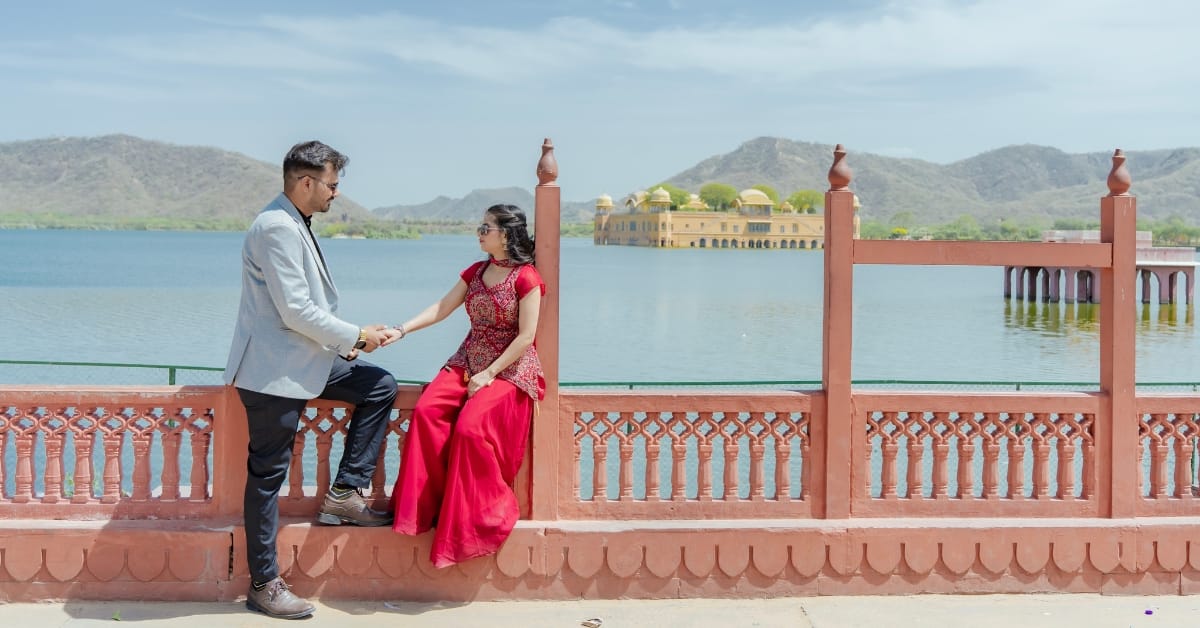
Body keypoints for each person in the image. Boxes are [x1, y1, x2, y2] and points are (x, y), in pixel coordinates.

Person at [223, 140, 400, 619]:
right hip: (271, 372)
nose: (335, 194)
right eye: (332, 185)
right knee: (267, 479)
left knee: (379, 385)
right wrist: (357, 335)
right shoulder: (276, 227)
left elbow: (307, 310)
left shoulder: (293, 221)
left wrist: (355, 342)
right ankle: (264, 585)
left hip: (306, 360)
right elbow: (296, 310)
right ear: (306, 182)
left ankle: (344, 494)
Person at [388, 203, 544, 568]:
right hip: (467, 360)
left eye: (486, 227)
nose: (479, 232)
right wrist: (402, 330)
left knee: (471, 430)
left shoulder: (526, 278)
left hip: (509, 369)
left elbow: (526, 337)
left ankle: (482, 517)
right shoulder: (476, 271)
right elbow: (443, 307)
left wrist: (490, 374)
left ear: (506, 234)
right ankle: (422, 512)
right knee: (426, 411)